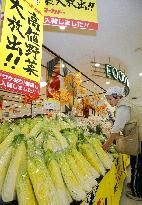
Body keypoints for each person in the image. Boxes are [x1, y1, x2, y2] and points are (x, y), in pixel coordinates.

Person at [102, 86, 142, 201]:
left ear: (117, 96)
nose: (109, 102)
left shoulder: (123, 107)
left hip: (139, 138)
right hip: (138, 137)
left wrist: (107, 144)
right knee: (137, 163)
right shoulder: (125, 104)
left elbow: (117, 127)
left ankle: (137, 192)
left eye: (110, 99)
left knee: (137, 164)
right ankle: (136, 185)